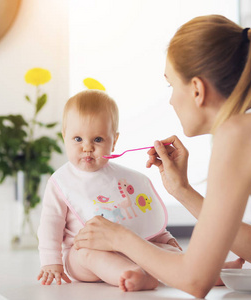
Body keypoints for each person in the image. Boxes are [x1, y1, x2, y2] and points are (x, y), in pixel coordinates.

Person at [74, 14, 251, 299]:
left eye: (171, 85)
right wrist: (182, 190)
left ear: (197, 89)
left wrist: (119, 237)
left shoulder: (239, 132)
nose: (170, 100)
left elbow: (194, 279)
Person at [36, 89, 185, 291]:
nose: (87, 147)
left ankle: (211, 270)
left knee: (164, 250)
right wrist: (51, 261)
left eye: (97, 139)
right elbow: (50, 224)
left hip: (130, 250)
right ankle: (132, 275)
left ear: (114, 141)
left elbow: (142, 218)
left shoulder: (128, 179)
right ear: (65, 137)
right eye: (78, 139)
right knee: (87, 254)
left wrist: (165, 239)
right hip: (84, 256)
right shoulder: (61, 182)